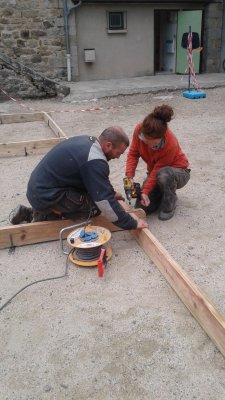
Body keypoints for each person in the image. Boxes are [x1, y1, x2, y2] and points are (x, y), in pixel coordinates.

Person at [10, 126, 148, 230]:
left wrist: (112, 193)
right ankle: (42, 215)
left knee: (92, 196)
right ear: (108, 145)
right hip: (46, 195)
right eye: (118, 153)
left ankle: (36, 211)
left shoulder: (89, 143)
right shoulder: (95, 161)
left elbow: (97, 180)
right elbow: (104, 203)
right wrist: (133, 223)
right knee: (95, 208)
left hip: (39, 190)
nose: (118, 157)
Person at [125, 104, 190, 221]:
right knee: (142, 207)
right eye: (145, 141)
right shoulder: (139, 130)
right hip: (156, 173)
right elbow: (133, 154)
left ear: (162, 137)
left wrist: (145, 191)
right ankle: (160, 193)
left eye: (153, 144)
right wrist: (129, 177)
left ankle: (170, 203)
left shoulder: (170, 145)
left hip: (178, 172)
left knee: (163, 175)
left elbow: (157, 171)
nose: (148, 146)